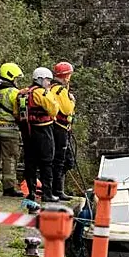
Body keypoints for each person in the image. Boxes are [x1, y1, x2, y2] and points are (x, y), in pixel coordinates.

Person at [15, 67, 60, 203]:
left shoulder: (22, 93)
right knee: (47, 162)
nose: (49, 83)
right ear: (40, 79)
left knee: (31, 163)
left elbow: (16, 113)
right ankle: (47, 193)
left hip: (28, 132)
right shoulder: (41, 93)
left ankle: (31, 193)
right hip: (43, 131)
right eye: (47, 80)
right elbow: (53, 110)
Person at [0, 62, 24, 196]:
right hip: (9, 131)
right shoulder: (14, 93)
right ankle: (9, 188)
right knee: (10, 158)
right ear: (11, 76)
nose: (17, 81)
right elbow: (19, 113)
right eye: (16, 78)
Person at [50, 62, 76, 200]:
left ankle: (55, 187)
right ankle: (57, 189)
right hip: (59, 129)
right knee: (62, 160)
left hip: (56, 128)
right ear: (66, 76)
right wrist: (72, 101)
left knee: (60, 160)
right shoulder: (60, 91)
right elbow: (67, 110)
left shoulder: (51, 88)